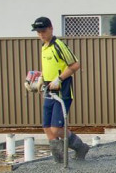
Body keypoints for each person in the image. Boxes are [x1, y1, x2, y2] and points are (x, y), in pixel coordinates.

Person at [30, 17, 89, 163]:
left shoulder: (59, 45)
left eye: (43, 31)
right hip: (49, 90)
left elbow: (75, 65)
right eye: (38, 32)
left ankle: (80, 147)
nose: (41, 35)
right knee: (47, 127)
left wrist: (59, 79)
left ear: (51, 28)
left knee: (56, 129)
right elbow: (48, 67)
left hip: (62, 91)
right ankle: (60, 160)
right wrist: (41, 79)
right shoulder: (44, 47)